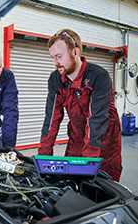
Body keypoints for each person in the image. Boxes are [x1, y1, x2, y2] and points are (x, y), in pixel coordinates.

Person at [38, 29, 122, 182]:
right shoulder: (55, 78)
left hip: (104, 145)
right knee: (69, 188)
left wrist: (88, 165)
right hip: (75, 143)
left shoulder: (99, 76)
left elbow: (95, 121)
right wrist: (43, 158)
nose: (55, 63)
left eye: (59, 56)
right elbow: (51, 119)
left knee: (103, 193)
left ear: (75, 52)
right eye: (53, 57)